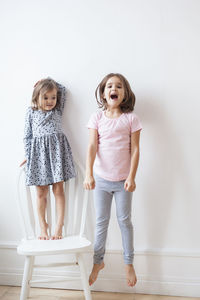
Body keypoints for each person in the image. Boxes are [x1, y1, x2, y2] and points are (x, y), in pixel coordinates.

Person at [83, 73, 142, 287]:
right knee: (101, 222)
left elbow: (135, 150)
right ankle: (98, 262)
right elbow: (91, 147)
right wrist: (89, 174)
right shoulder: (96, 118)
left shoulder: (131, 119)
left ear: (124, 93)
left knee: (124, 221)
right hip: (100, 180)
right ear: (103, 92)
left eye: (118, 86)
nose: (113, 89)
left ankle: (129, 263)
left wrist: (132, 177)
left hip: (123, 181)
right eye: (109, 86)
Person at [20, 78, 76, 240]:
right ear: (36, 97)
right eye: (45, 97)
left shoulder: (57, 111)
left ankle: (59, 225)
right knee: (40, 192)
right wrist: (29, 155)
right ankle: (43, 225)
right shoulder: (31, 112)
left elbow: (62, 90)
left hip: (57, 153)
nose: (50, 101)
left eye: (53, 97)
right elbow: (27, 136)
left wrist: (47, 80)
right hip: (39, 156)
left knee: (58, 190)